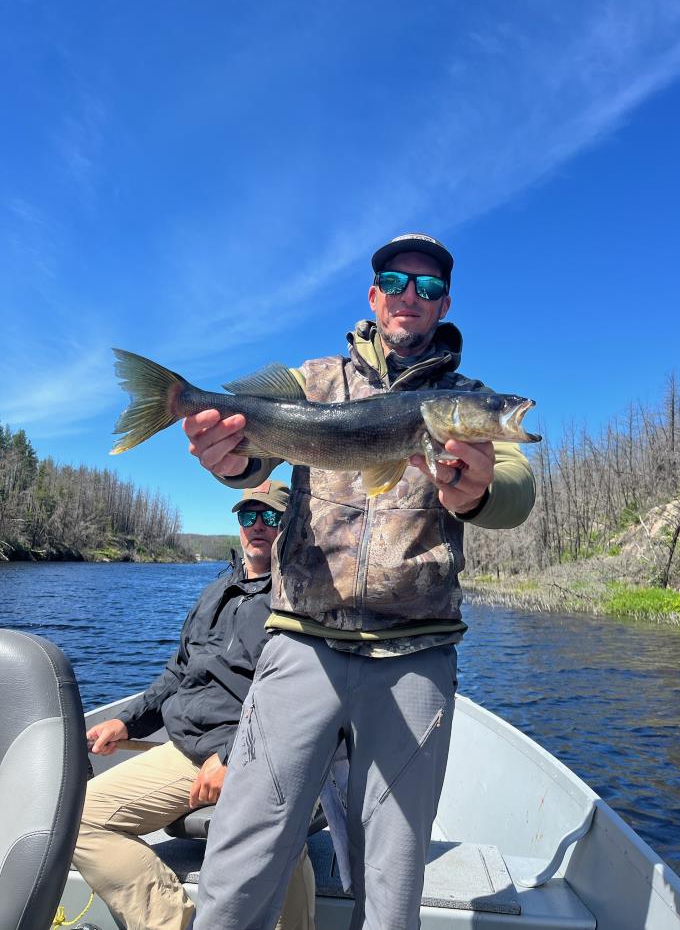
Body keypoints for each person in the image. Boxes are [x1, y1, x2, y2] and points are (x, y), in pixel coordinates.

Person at [184, 233, 537, 929]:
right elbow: (254, 463)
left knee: (392, 873)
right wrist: (226, 458)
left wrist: (474, 490)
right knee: (241, 857)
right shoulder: (316, 382)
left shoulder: (463, 402)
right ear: (374, 296)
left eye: (429, 287)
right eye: (397, 281)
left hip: (415, 654)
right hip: (301, 645)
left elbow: (515, 489)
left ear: (444, 305)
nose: (413, 295)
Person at [72, 481, 315, 930]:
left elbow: (300, 698)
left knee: (278, 838)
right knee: (79, 819)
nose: (258, 526)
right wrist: (127, 723)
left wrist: (231, 757)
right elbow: (178, 672)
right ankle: (175, 922)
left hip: (266, 756)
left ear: (292, 525)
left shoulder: (304, 596)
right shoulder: (216, 591)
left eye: (271, 517)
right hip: (187, 750)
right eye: (248, 517)